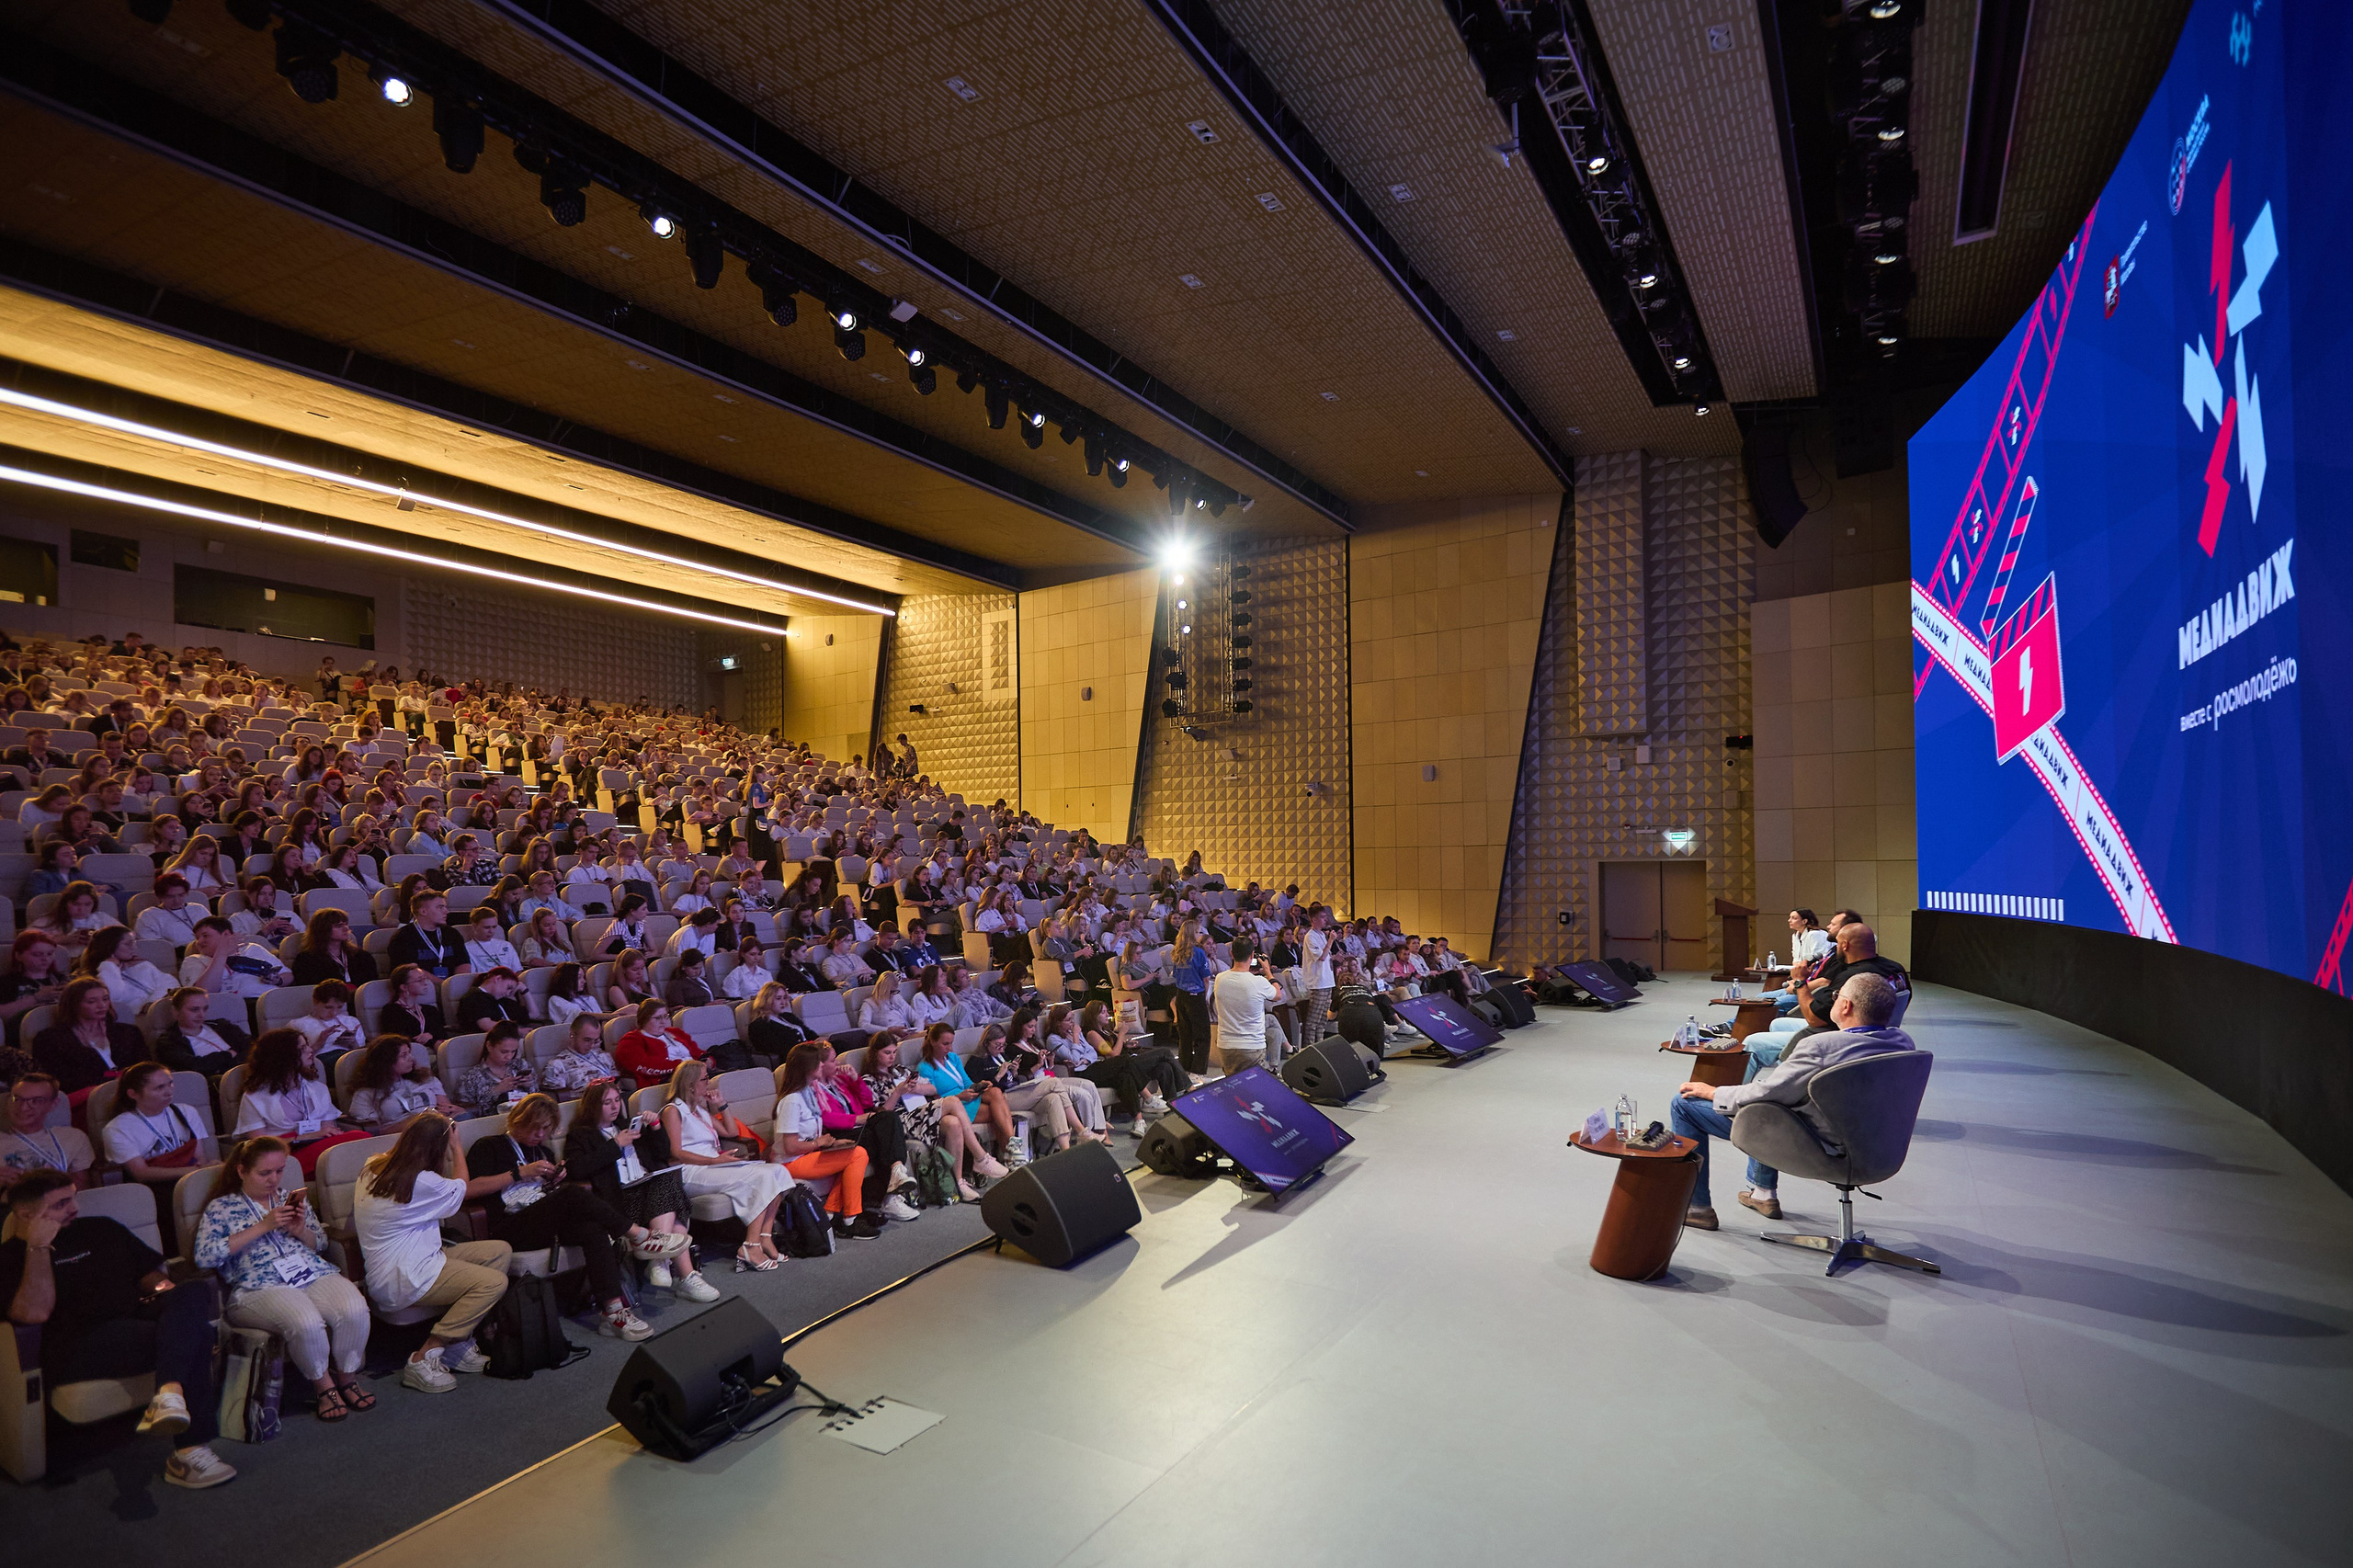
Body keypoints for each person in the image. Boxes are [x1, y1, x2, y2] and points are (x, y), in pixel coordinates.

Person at [2, 1169, 238, 1487]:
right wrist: (39, 1247)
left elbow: (151, 1276)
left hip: (136, 1318)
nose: (73, 1208)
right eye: (59, 1205)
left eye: (72, 1198)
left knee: (192, 1292)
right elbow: (35, 1311)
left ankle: (169, 1395)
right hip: (78, 1345)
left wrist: (170, 1303)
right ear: (25, 1214)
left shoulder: (99, 1228)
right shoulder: (11, 1256)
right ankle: (189, 1451)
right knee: (195, 1334)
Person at [1670, 972, 1918, 1229]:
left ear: (1846, 1006)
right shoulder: (1903, 1043)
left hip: (1823, 1148)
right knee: (1775, 1104)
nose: (1833, 1000)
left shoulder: (1821, 1047)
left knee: (1686, 1104)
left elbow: (1768, 1093)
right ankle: (1763, 1192)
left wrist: (1714, 1092)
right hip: (1880, 1149)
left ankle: (1698, 1208)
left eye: (1836, 996)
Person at [462, 1094, 678, 1341]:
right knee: (572, 1194)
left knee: (592, 1228)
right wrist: (518, 1173)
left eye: (546, 1130)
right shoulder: (489, 1145)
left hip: (542, 1219)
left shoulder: (541, 1151)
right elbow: (470, 1190)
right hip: (508, 1225)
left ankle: (614, 1311)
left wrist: (555, 1179)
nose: (540, 1135)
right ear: (517, 1120)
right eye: (535, 1128)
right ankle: (637, 1234)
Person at [194, 1137, 375, 1422]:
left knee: (355, 1308)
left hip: (309, 1272)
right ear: (242, 1171)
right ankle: (323, 1386)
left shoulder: (287, 1197)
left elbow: (320, 1243)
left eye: (278, 1171)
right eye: (264, 1173)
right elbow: (205, 1257)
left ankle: (347, 1377)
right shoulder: (221, 1209)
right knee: (305, 1322)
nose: (273, 1179)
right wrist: (262, 1226)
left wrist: (299, 1230)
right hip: (257, 1285)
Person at [352, 1114, 511, 1393]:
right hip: (404, 1277)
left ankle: (456, 1343)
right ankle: (426, 1355)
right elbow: (461, 1188)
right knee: (494, 1283)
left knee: (498, 1251)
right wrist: (457, 1146)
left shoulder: (372, 1165)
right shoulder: (422, 1181)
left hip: (418, 1260)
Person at [563, 1076, 717, 1301]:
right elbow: (576, 1169)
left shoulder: (628, 1125)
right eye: (607, 1103)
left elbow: (663, 1154)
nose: (615, 1107)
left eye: (617, 1100)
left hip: (649, 1193)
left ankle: (661, 1261)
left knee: (664, 1184)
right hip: (620, 1201)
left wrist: (655, 1127)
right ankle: (683, 1275)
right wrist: (614, 1146)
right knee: (667, 1196)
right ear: (593, 1106)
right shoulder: (580, 1135)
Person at [660, 1061, 792, 1272]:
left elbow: (730, 1132)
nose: (709, 1082)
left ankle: (764, 1237)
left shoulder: (701, 1111)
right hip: (691, 1170)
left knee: (778, 1170)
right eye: (705, 1078)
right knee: (760, 1178)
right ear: (692, 1084)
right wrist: (715, 1161)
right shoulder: (673, 1111)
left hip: (713, 1165)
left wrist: (721, 1105)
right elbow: (676, 1152)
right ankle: (750, 1245)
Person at [863, 1029, 997, 1199]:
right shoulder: (869, 1080)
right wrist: (897, 1093)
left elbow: (932, 1088)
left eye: (895, 1052)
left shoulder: (900, 1071)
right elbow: (880, 1116)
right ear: (875, 1054)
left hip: (919, 1114)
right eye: (887, 1053)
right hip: (899, 1121)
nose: (892, 1057)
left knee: (953, 1123)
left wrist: (915, 1088)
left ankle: (958, 1183)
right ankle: (981, 1157)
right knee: (953, 1101)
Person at [773, 1042, 883, 1238]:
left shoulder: (808, 1094)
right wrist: (820, 1144)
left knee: (852, 1152)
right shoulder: (791, 1100)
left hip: (808, 1153)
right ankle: (850, 1219)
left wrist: (832, 1144)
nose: (824, 1066)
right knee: (857, 1155)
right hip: (790, 1162)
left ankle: (831, 1213)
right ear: (810, 1068)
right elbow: (789, 1146)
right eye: (819, 1063)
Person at [233, 1028, 367, 1173]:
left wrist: (328, 1134)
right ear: (284, 1056)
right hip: (281, 1156)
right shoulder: (254, 1097)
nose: (310, 1050)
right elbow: (258, 1146)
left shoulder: (318, 1089)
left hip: (321, 1148)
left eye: (307, 1045)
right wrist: (304, 1137)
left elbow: (328, 1130)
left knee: (358, 1140)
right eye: (303, 1048)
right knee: (359, 1138)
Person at [101, 1062, 214, 1195]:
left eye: (170, 1083)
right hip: (153, 1190)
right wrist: (195, 1171)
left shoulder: (187, 1112)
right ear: (133, 1094)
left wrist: (203, 1170)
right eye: (159, 1088)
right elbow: (141, 1174)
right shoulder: (117, 1128)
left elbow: (200, 1156)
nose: (169, 1092)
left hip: (192, 1181)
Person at [32, 976, 148, 1095]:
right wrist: (116, 1075)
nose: (102, 1005)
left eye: (105, 999)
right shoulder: (51, 1040)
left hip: (133, 1091)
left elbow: (145, 1068)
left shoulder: (128, 1032)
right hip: (86, 1097)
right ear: (74, 1005)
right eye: (91, 1001)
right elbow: (66, 1081)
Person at [347, 1033, 460, 1133]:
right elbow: (373, 1133)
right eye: (403, 1055)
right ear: (386, 1061)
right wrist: (414, 1122)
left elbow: (446, 1109)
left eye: (409, 1053)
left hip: (439, 1129)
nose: (411, 1058)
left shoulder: (426, 1078)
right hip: (401, 1138)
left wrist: (456, 1111)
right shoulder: (366, 1093)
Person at [2, 1074, 94, 1186]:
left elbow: (83, 1189)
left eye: (36, 1100)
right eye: (17, 1099)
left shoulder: (74, 1139)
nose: (23, 1108)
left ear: (53, 1104)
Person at [1210, 937, 1282, 1077]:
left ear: (1231, 954)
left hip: (1226, 1045)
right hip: (1251, 1045)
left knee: (1233, 1086)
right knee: (1255, 1091)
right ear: (1252, 955)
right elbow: (1278, 995)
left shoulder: (1220, 978)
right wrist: (1268, 971)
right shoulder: (1259, 982)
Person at [152, 985, 252, 1079]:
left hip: (248, 1071)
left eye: (205, 1009)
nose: (202, 1015)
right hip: (216, 1083)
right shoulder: (169, 1042)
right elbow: (195, 1066)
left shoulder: (222, 1026)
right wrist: (229, 1054)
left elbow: (251, 1045)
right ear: (176, 1012)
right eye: (194, 1009)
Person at [614, 998, 707, 1089]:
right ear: (644, 1019)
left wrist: (706, 1059)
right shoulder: (631, 1040)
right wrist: (683, 1065)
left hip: (696, 1071)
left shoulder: (676, 1032)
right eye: (658, 1018)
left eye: (665, 1016)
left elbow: (696, 1051)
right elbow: (645, 1065)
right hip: (668, 1080)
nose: (663, 1022)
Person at [454, 1019, 539, 1117]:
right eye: (504, 1052)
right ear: (489, 1046)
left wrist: (529, 1086)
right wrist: (496, 1091)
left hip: (527, 1117)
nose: (509, 1056)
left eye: (513, 1051)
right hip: (492, 1124)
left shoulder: (521, 1066)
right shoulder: (471, 1077)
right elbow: (467, 1113)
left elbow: (537, 1098)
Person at [1169, 921, 1215, 1075]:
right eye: (1198, 932)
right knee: (1203, 1037)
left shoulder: (1177, 952)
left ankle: (1184, 1069)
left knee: (1185, 1036)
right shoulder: (1199, 953)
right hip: (1196, 996)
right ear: (1191, 934)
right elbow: (1206, 979)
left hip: (1181, 996)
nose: (1199, 935)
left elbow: (1175, 975)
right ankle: (1198, 1072)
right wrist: (1205, 997)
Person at [290, 911, 379, 987]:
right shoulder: (306, 960)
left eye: (346, 924)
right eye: (338, 926)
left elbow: (371, 986)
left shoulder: (361, 956)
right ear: (323, 930)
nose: (346, 929)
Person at [455, 966, 531, 1033]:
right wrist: (518, 1031)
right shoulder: (475, 997)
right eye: (508, 988)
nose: (508, 993)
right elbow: (486, 1025)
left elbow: (534, 1014)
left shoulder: (500, 1000)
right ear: (498, 978)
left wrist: (524, 990)